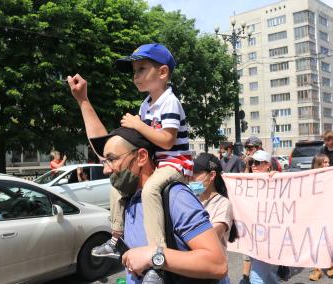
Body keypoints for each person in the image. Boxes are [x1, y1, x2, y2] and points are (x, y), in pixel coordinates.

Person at [67, 43, 192, 270]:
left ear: (163, 72)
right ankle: (116, 237)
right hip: (159, 163)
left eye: (141, 69)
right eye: (134, 71)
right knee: (116, 186)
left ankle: (157, 251)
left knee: (152, 189)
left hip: (175, 162)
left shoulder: (170, 102)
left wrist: (137, 124)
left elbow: (166, 140)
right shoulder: (146, 105)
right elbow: (114, 145)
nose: (136, 76)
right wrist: (83, 100)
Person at [96, 127, 227, 283]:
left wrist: (155, 256)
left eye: (112, 159)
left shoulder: (175, 197)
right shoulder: (128, 198)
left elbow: (218, 264)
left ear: (141, 157)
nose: (105, 169)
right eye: (104, 161)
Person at [189, 152, 238, 284]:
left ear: (211, 175)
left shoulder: (223, 204)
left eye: (196, 173)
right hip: (192, 272)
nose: (191, 178)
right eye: (190, 172)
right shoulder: (191, 199)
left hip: (213, 277)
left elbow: (212, 237)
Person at [245, 150, 280, 284]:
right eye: (252, 162)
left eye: (257, 162)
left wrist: (277, 178)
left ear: (267, 165)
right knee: (265, 273)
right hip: (253, 235)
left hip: (269, 236)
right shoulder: (248, 180)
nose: (253, 165)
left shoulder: (275, 180)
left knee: (256, 278)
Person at [308, 154, 333, 281]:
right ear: (318, 164)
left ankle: (331, 264)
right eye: (324, 162)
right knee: (315, 241)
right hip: (314, 213)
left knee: (329, 239)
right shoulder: (310, 178)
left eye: (328, 162)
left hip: (329, 212)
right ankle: (317, 269)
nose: (327, 164)